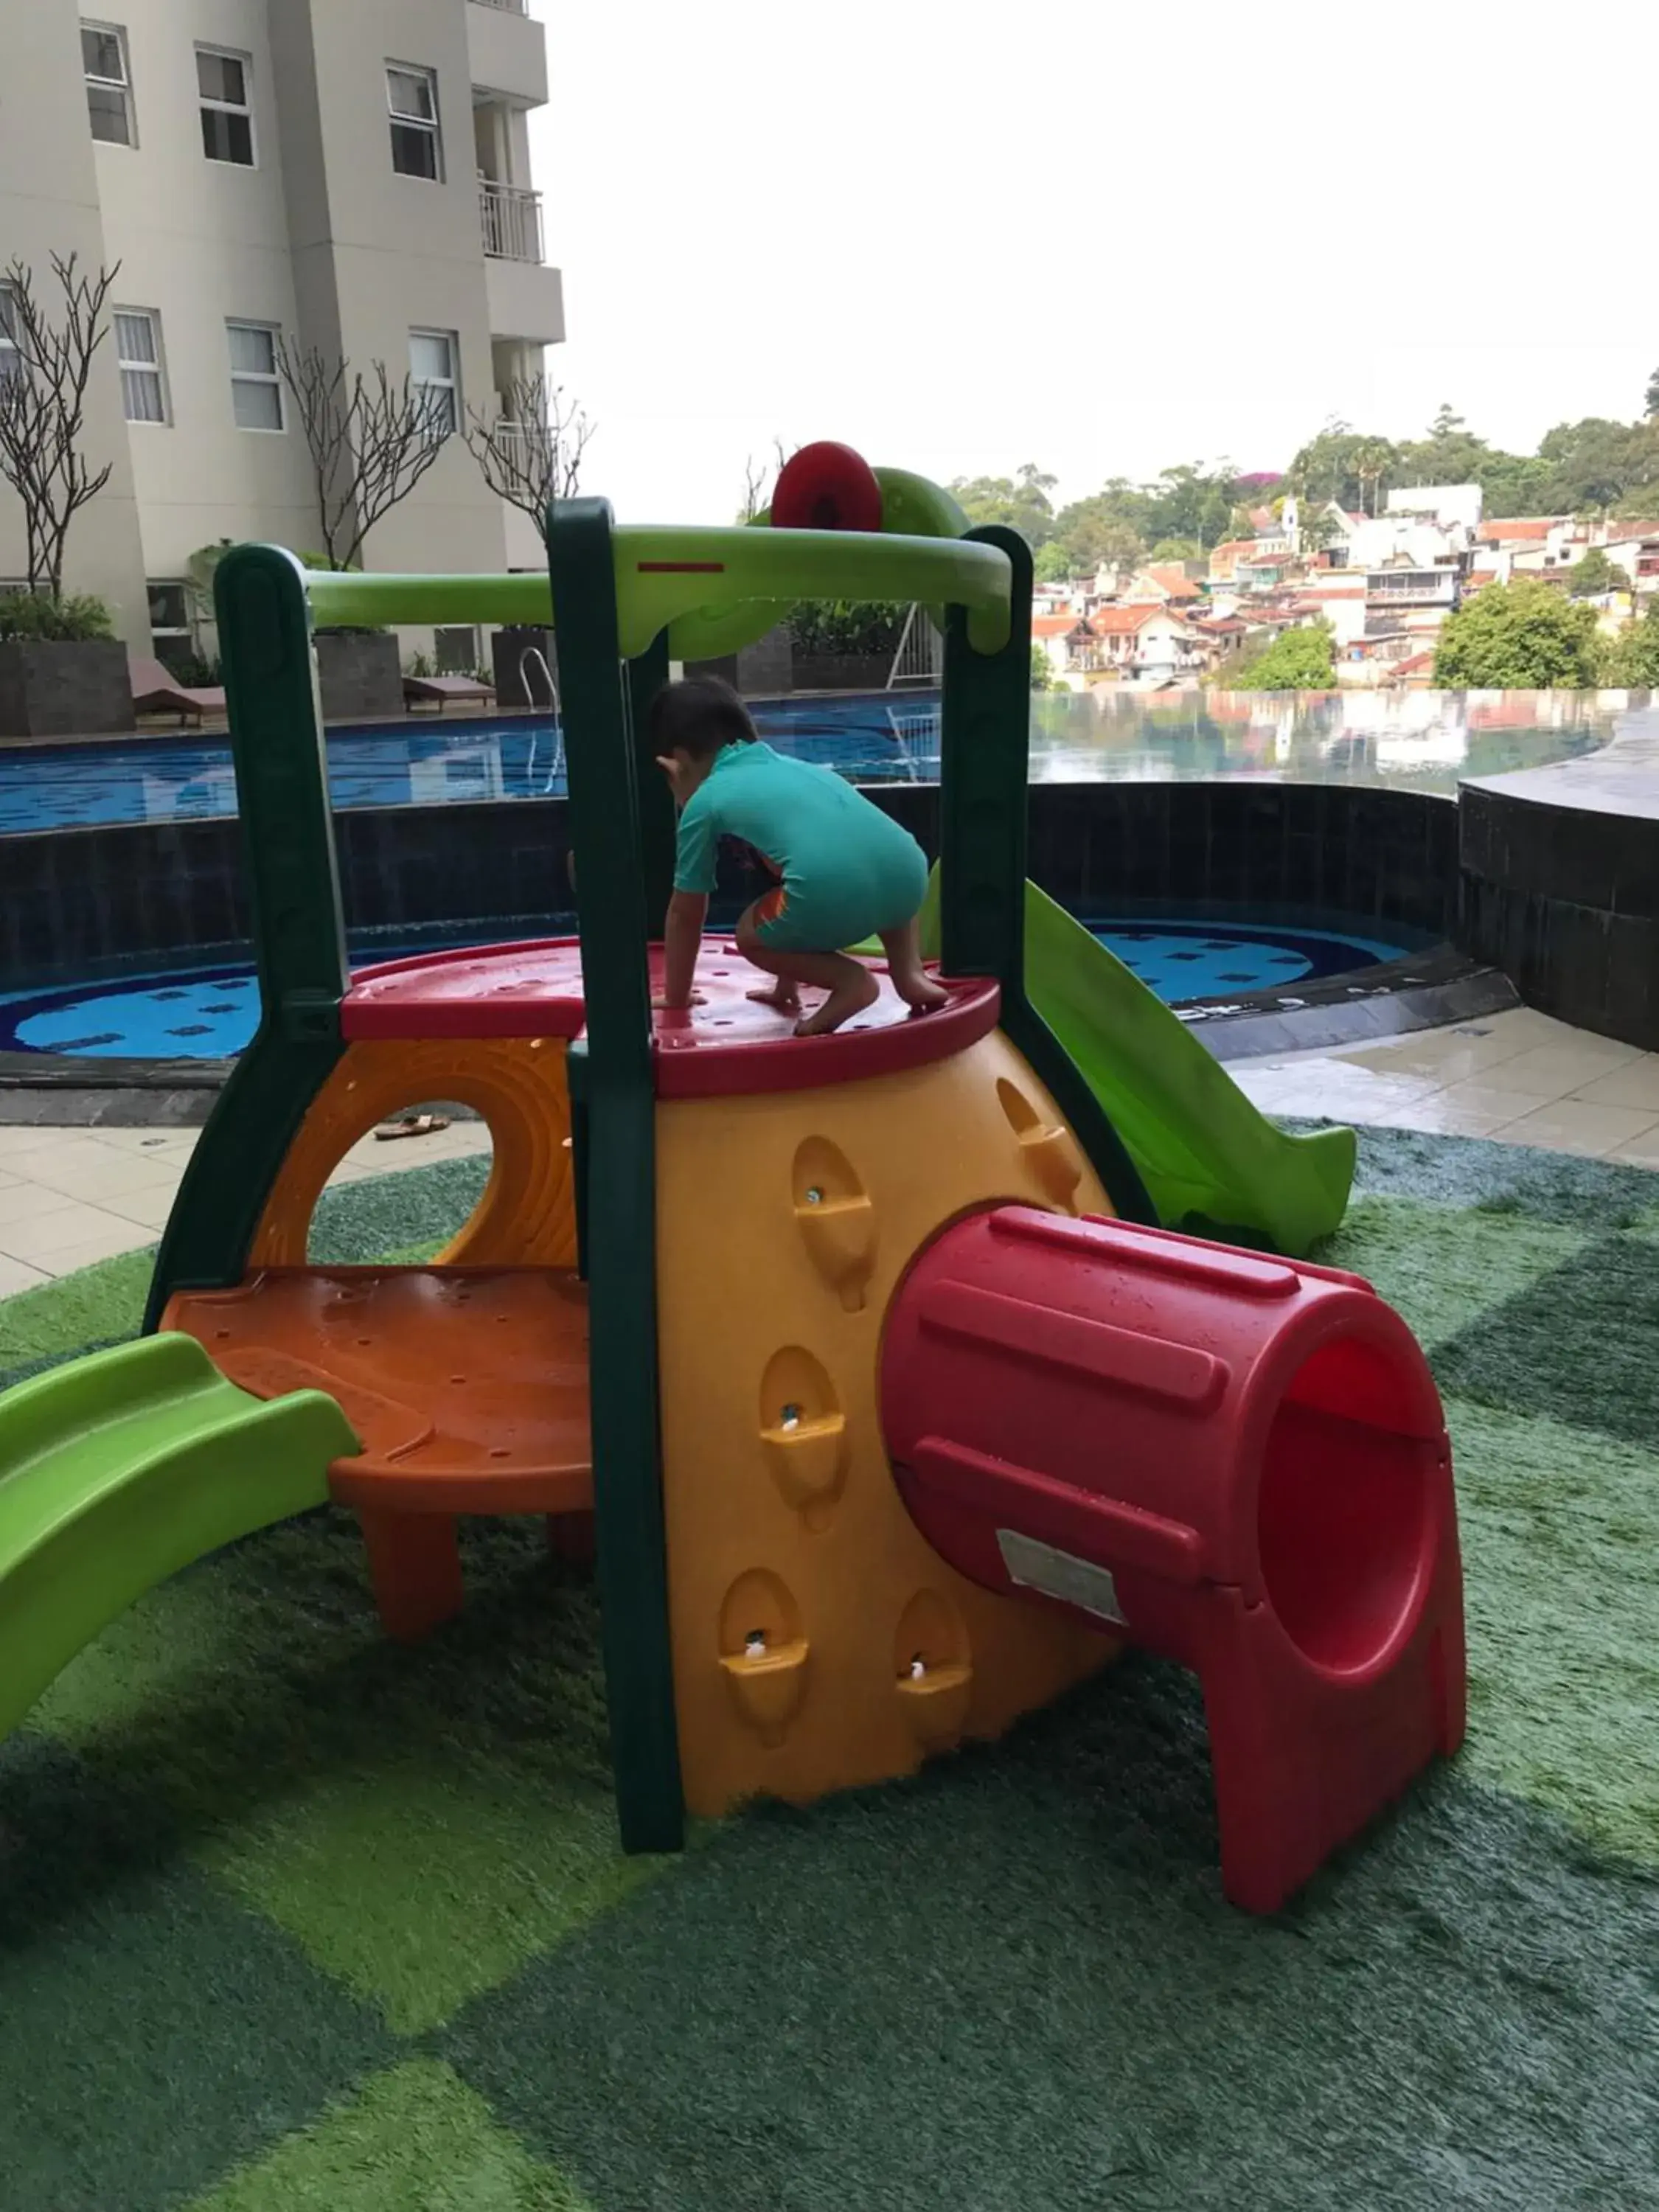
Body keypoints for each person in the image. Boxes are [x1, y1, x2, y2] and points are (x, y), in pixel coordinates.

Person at [649, 676, 950, 1037]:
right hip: (910, 871)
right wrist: (784, 987)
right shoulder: (791, 767)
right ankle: (910, 974)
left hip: (829, 889)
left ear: (675, 764)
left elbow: (686, 913)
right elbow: (795, 869)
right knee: (872, 874)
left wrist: (677, 996)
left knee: (751, 933)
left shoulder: (705, 800)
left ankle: (850, 981)